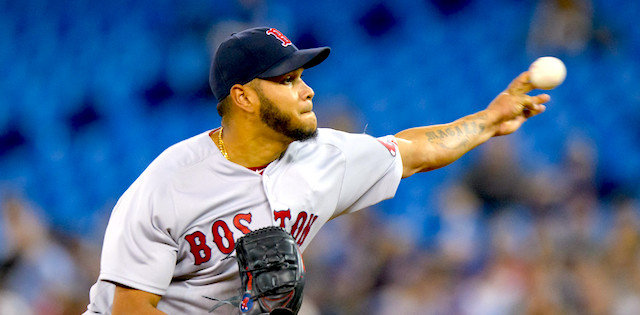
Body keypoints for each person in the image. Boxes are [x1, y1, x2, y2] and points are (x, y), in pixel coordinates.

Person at [84, 26, 549, 314]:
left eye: (302, 76)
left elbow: (415, 151)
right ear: (244, 97)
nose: (307, 91)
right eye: (287, 80)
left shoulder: (322, 156)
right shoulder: (169, 184)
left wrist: (488, 120)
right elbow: (129, 308)